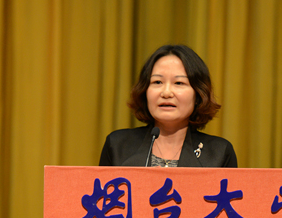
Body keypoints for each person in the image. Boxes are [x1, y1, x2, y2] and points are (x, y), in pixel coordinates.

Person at [99, 44, 237, 168]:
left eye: (179, 83)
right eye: (157, 82)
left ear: (198, 94)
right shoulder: (117, 146)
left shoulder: (219, 153)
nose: (166, 93)